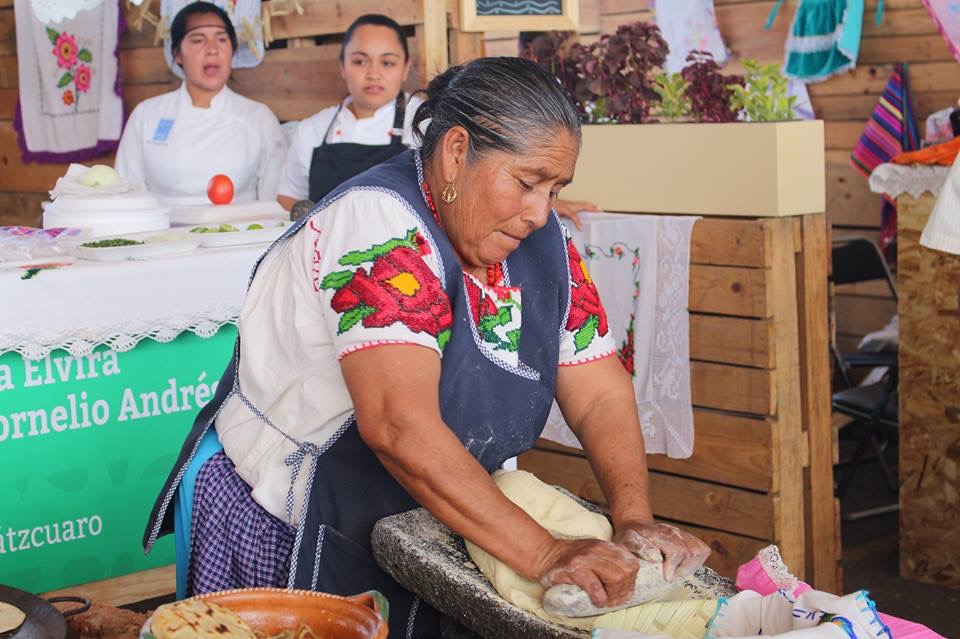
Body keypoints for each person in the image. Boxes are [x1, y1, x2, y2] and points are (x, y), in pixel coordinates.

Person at [144, 57, 710, 637]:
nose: (541, 211)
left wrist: (634, 517)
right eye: (527, 181)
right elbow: (398, 426)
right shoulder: (378, 222)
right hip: (302, 518)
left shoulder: (548, 245)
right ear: (457, 151)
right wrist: (544, 555)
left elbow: (598, 392)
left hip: (440, 515)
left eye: (556, 188)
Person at [115, 2, 286, 206]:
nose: (212, 50)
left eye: (222, 39)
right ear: (177, 54)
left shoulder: (258, 118)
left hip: (240, 235)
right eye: (198, 40)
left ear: (232, 51)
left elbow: (274, 205)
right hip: (162, 236)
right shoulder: (147, 115)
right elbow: (126, 195)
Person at [276, 14, 423, 210]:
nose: (373, 74)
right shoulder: (312, 131)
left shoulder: (424, 123)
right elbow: (288, 199)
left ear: (406, 68)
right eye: (360, 62)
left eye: (387, 63)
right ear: (342, 66)